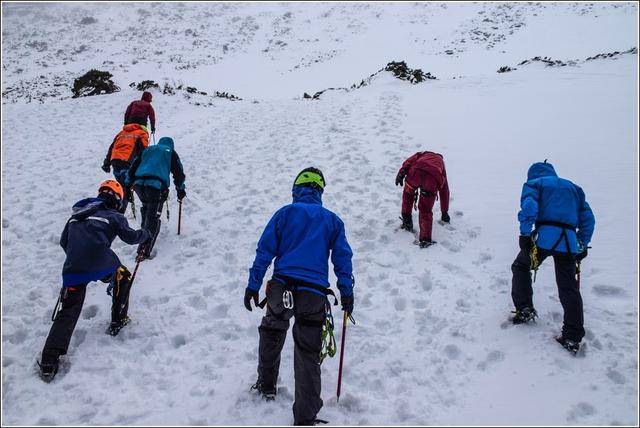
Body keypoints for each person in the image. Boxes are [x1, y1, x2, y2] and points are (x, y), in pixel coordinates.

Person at [244, 167, 354, 426]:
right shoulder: (332, 221)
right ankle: (305, 417)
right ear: (320, 191)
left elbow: (264, 251)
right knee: (307, 351)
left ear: (297, 189)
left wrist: (253, 284)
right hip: (313, 294)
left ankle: (267, 384)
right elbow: (342, 259)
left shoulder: (285, 213)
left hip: (281, 288)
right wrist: (346, 292)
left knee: (272, 329)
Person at [38, 180, 150, 382]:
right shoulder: (114, 216)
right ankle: (118, 320)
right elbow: (131, 237)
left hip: (74, 268)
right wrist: (146, 234)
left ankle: (49, 360)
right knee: (123, 277)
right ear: (117, 199)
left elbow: (64, 242)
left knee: (68, 310)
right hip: (101, 262)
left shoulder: (76, 216)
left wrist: (78, 257)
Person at [510, 160, 595, 354]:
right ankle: (572, 336)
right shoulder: (574, 189)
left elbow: (530, 207)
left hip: (544, 239)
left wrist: (524, 234)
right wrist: (581, 243)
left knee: (521, 267)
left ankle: (524, 308)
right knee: (568, 287)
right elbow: (588, 219)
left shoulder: (535, 184)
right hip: (568, 242)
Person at [126, 136, 186, 260]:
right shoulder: (170, 152)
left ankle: (143, 236)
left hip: (139, 185)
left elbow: (133, 167)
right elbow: (178, 173)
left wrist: (127, 185)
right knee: (153, 217)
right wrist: (181, 190)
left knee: (146, 210)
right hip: (156, 187)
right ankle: (144, 250)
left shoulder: (147, 150)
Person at [395, 151, 450, 247]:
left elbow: (408, 161)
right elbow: (444, 191)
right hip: (431, 179)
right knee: (425, 209)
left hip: (414, 173)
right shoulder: (441, 164)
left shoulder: (421, 154)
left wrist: (401, 172)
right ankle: (425, 239)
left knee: (407, 196)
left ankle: (407, 222)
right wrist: (444, 213)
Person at [102, 123, 150, 213]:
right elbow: (144, 150)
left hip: (115, 161)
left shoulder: (122, 133)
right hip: (127, 162)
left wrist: (107, 163)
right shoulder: (142, 133)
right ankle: (119, 214)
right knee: (130, 187)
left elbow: (111, 147)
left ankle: (115, 211)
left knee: (123, 188)